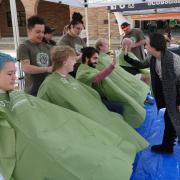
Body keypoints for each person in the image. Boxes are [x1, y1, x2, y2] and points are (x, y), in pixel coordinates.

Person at [0, 52, 149, 180]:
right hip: (39, 145)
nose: (15, 78)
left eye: (15, 73)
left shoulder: (14, 94)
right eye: (10, 74)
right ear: (65, 61)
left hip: (58, 128)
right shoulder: (49, 84)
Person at [37, 45, 148, 150]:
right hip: (77, 119)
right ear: (65, 61)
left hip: (89, 109)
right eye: (73, 59)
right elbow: (43, 110)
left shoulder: (67, 78)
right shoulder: (49, 85)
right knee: (111, 122)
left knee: (114, 119)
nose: (75, 61)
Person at [123, 32, 180, 154]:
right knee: (171, 117)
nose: (145, 47)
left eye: (147, 45)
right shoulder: (153, 57)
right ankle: (169, 144)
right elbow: (141, 64)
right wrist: (126, 55)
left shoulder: (174, 60)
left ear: (155, 47)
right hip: (168, 93)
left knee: (170, 117)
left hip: (176, 93)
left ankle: (167, 146)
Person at [95, 38, 149, 107]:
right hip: (117, 80)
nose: (108, 46)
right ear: (100, 47)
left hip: (122, 76)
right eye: (106, 45)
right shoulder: (101, 59)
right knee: (144, 80)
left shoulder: (106, 57)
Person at [77, 47, 123, 115]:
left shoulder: (89, 69)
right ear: (86, 58)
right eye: (95, 58)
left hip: (95, 97)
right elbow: (98, 77)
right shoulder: (82, 73)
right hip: (90, 101)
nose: (97, 61)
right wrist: (112, 66)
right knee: (119, 107)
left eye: (98, 58)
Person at [17, 15, 52, 96]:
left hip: (47, 90)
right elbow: (26, 68)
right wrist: (47, 69)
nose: (41, 35)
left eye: (43, 32)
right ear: (29, 31)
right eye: (38, 32)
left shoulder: (47, 46)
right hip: (33, 92)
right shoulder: (24, 46)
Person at [58, 12, 86, 77]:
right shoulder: (64, 41)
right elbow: (65, 59)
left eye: (81, 29)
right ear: (71, 27)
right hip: (70, 73)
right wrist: (80, 56)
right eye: (77, 28)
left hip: (81, 70)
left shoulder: (80, 39)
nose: (79, 31)